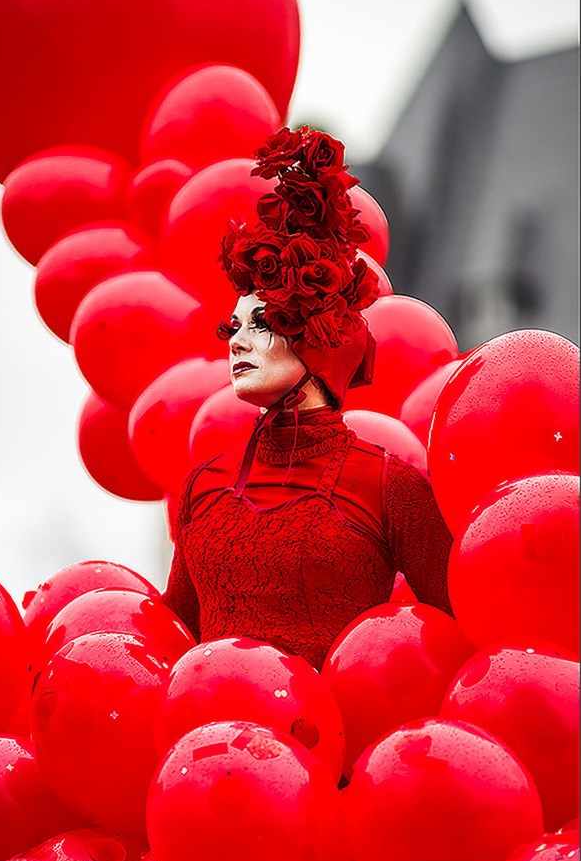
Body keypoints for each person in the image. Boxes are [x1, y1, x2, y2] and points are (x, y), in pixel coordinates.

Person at [162, 126, 453, 671]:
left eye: (261, 323)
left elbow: (457, 637)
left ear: (316, 335)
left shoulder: (390, 486)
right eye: (234, 326)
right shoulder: (203, 487)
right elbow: (173, 641)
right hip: (207, 724)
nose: (237, 341)